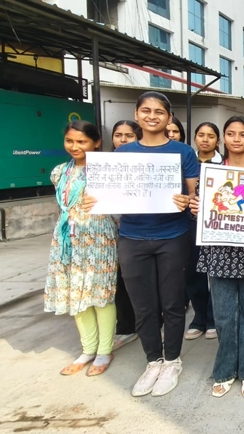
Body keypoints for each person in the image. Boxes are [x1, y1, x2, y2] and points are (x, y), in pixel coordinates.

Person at [88, 91, 199, 397]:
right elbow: (107, 194)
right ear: (137, 115)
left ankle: (172, 360)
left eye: (159, 111)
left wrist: (187, 200)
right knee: (143, 306)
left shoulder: (183, 152)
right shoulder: (122, 155)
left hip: (173, 237)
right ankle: (153, 360)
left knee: (173, 303)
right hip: (132, 237)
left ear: (169, 117)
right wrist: (94, 199)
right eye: (146, 111)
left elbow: (195, 198)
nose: (152, 116)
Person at [190, 116, 244, 398]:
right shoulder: (210, 174)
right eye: (231, 134)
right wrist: (196, 209)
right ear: (222, 139)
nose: (237, 139)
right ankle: (225, 370)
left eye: (243, 134)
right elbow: (200, 210)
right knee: (225, 317)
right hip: (219, 253)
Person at [47, 121, 118, 376]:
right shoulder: (58, 172)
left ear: (96, 142)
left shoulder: (108, 171)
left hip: (99, 237)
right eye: (70, 141)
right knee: (76, 293)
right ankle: (87, 349)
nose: (75, 147)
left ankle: (104, 350)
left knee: (101, 294)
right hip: (68, 239)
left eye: (82, 142)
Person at [184, 122, 221, 342]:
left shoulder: (224, 163)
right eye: (201, 135)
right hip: (190, 224)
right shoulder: (186, 162)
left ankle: (213, 318)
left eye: (210, 136)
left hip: (217, 225)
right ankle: (199, 317)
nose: (205, 139)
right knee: (193, 273)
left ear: (218, 140)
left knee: (216, 273)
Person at [110, 120, 141, 351]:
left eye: (128, 135)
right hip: (108, 231)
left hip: (137, 231)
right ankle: (126, 326)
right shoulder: (106, 164)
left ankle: (143, 321)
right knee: (118, 282)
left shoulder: (146, 164)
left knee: (138, 281)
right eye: (118, 135)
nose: (122, 140)